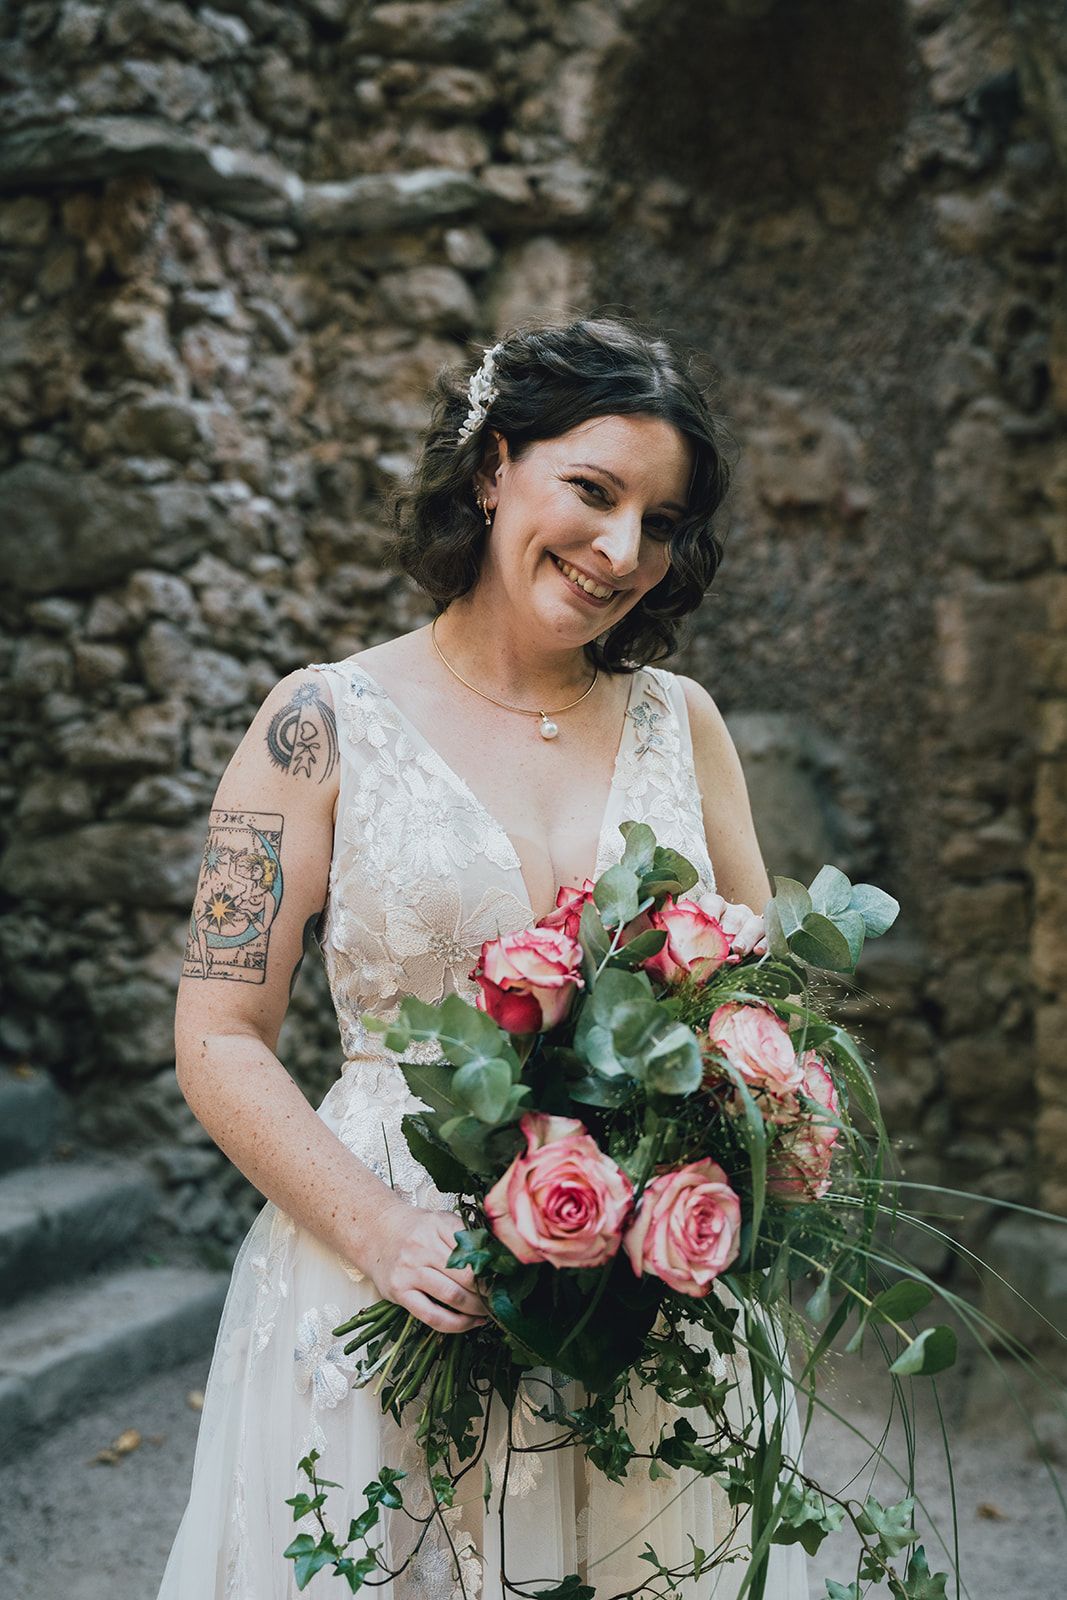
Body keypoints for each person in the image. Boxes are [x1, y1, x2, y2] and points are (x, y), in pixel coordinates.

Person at [157, 316, 809, 1598]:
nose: (622, 551)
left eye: (662, 523)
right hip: (388, 1270)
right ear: (490, 466)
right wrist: (380, 1226)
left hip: (645, 1288)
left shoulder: (686, 725)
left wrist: (756, 1134)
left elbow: (761, 1008)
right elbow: (215, 1030)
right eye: (591, 490)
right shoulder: (316, 724)